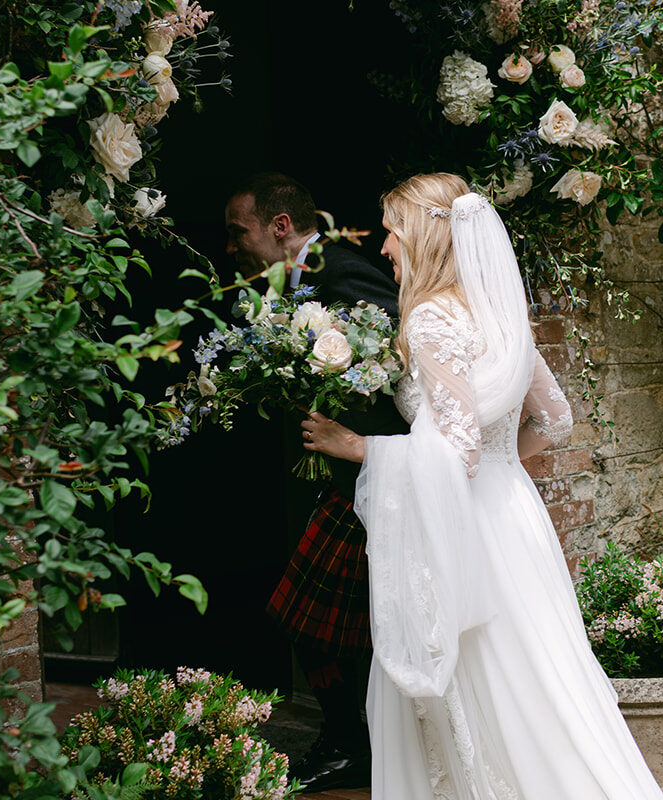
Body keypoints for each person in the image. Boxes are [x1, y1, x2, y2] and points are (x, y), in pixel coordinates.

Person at [301, 173, 663, 799]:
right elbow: (555, 420)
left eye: (391, 233)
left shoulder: (431, 320)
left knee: (490, 688)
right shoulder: (498, 314)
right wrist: (505, 468)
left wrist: (360, 447)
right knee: (540, 687)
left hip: (467, 527)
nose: (384, 249)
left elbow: (458, 450)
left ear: (422, 235)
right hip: (513, 518)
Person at [225, 172, 406, 792]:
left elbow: (394, 349)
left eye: (238, 230)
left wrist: (351, 432)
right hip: (343, 478)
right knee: (322, 622)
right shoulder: (289, 280)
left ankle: (355, 743)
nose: (232, 246)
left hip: (377, 474)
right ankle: (353, 739)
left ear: (280, 227)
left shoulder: (341, 267)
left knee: (318, 621)